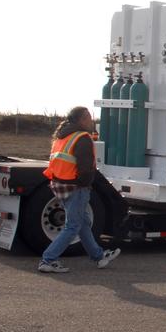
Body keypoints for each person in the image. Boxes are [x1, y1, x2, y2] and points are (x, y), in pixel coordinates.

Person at [38, 106, 121, 273]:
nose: (92, 121)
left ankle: (98, 256)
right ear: (82, 119)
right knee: (74, 226)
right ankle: (48, 259)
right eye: (89, 117)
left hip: (61, 185)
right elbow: (85, 167)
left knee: (83, 223)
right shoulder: (82, 138)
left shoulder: (62, 136)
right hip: (76, 187)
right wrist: (85, 183)